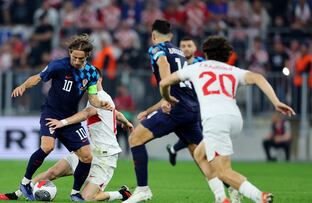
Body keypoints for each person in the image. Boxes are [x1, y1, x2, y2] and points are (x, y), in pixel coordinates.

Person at [160, 35, 295, 203]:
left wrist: (167, 98)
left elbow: (164, 83)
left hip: (215, 119)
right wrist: (276, 102)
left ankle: (260, 197)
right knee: (199, 154)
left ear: (206, 53)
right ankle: (221, 198)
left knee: (223, 171)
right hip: (235, 118)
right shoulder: (233, 70)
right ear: (227, 55)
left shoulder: (196, 67)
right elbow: (258, 78)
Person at [0, 70, 132, 201]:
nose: (88, 82)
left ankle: (121, 194)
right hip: (90, 151)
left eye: (92, 79)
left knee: (87, 198)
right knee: (52, 172)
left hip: (105, 156)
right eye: (86, 80)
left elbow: (86, 114)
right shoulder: (96, 98)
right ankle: (18, 193)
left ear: (100, 79)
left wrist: (62, 122)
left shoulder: (100, 97)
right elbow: (116, 112)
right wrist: (126, 122)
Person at [11, 34, 113, 201]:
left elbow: (93, 98)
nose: (77, 61)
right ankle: (25, 182)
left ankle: (75, 193)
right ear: (70, 52)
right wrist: (23, 86)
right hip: (51, 114)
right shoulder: (58, 66)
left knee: (87, 156)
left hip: (71, 118)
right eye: (74, 57)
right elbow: (37, 78)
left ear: (87, 56)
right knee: (48, 147)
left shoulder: (92, 73)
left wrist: (101, 104)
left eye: (81, 58)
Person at [124, 20, 205, 203]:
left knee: (135, 138)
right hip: (191, 109)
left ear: (153, 35)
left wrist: (167, 97)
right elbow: (179, 89)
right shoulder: (179, 53)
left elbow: (164, 70)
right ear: (171, 36)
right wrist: (150, 109)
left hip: (176, 108)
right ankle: (230, 189)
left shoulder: (157, 49)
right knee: (200, 155)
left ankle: (143, 189)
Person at [165, 36, 204, 166]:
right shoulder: (176, 64)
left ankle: (173, 149)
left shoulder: (201, 63)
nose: (186, 49)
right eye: (183, 46)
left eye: (189, 46)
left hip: (200, 105)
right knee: (198, 138)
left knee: (197, 137)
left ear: (195, 48)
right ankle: (218, 175)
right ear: (179, 49)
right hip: (183, 107)